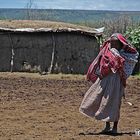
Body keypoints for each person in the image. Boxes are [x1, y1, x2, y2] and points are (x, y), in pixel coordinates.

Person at [79, 33, 139, 134]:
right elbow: (100, 64)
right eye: (112, 43)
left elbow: (132, 56)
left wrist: (119, 57)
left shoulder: (124, 55)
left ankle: (114, 128)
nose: (113, 45)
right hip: (104, 80)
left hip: (117, 81)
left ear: (121, 44)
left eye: (116, 43)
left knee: (115, 103)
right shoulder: (106, 52)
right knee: (103, 102)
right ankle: (107, 126)